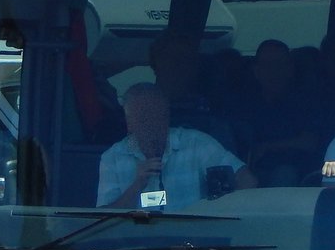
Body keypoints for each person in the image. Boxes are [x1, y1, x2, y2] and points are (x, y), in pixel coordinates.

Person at [97, 82, 256, 210]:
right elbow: (102, 221)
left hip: (193, 243)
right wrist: (137, 184)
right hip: (136, 246)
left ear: (167, 117)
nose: (151, 124)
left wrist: (221, 214)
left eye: (157, 116)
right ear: (129, 123)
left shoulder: (197, 144)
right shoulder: (112, 158)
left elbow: (247, 180)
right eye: (143, 118)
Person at [235, 39, 320, 187]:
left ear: (291, 68)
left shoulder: (306, 103)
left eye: (280, 65)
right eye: (267, 66)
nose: (274, 71)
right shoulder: (242, 105)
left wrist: (268, 146)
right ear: (256, 70)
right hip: (247, 172)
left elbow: (310, 142)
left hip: (294, 176)